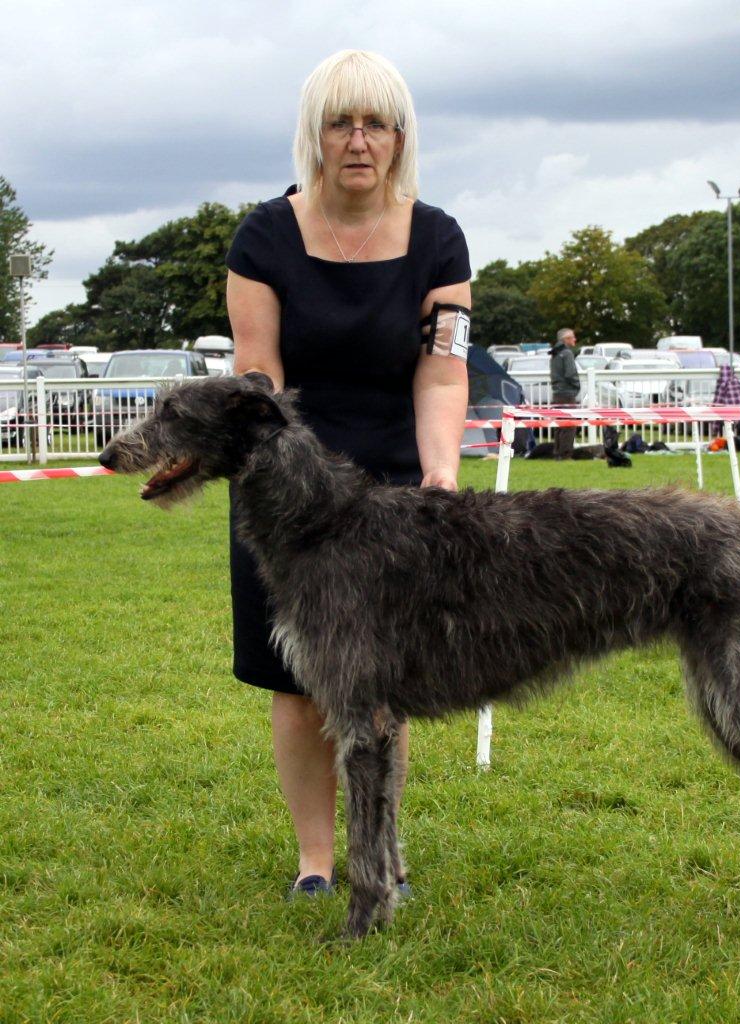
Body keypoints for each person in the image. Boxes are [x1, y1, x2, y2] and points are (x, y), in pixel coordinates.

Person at [225, 50, 471, 896]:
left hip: (396, 490)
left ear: (401, 137)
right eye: (340, 122)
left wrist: (440, 477)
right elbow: (260, 379)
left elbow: (442, 370)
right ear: (315, 135)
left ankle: (381, 856)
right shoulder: (264, 236)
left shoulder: (438, 238)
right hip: (289, 488)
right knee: (295, 683)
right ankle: (318, 864)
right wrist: (285, 491)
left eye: (376, 123)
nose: (358, 140)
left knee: (380, 687)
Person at [549, 328, 580, 459]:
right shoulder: (567, 353)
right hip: (567, 393)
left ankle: (557, 452)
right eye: (572, 337)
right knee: (569, 425)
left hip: (557, 393)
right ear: (566, 339)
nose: (575, 339)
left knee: (559, 425)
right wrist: (577, 386)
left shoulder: (555, 353)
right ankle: (566, 453)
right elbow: (570, 373)